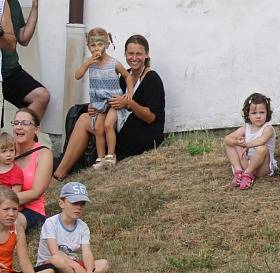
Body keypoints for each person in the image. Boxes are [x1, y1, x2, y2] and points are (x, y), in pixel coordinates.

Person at [54, 34, 165, 181]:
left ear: (146, 55)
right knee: (85, 117)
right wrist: (96, 108)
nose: (134, 58)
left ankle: (63, 171)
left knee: (88, 122)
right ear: (125, 54)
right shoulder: (125, 76)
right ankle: (60, 173)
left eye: (139, 54)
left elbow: (151, 118)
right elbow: (111, 102)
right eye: (130, 53)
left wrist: (129, 103)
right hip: (120, 127)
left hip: (141, 135)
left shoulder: (152, 79)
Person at [35, 181, 119, 273]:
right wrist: (76, 266)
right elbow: (55, 253)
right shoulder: (51, 223)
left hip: (70, 267)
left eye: (82, 203)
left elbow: (87, 253)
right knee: (57, 260)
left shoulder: (83, 227)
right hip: (49, 267)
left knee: (104, 264)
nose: (78, 207)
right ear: (61, 203)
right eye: (74, 203)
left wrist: (89, 270)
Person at [74, 27, 133, 170]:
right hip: (99, 102)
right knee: (98, 128)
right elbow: (77, 75)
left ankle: (111, 155)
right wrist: (87, 63)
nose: (96, 48)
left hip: (114, 101)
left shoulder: (113, 63)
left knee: (108, 125)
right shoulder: (90, 63)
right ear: (88, 46)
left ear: (106, 45)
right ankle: (100, 158)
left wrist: (129, 92)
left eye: (100, 44)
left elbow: (127, 75)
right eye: (93, 45)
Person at [0, 187, 54, 273]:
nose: (11, 213)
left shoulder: (17, 229)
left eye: (15, 209)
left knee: (50, 270)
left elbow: (24, 261)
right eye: (6, 209)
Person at [2, 0, 50, 120]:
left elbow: (23, 38)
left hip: (10, 70)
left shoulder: (14, 3)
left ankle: (20, 136)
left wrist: (34, 7)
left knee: (41, 96)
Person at [223, 92, 278, 190]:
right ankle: (239, 172)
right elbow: (227, 139)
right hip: (248, 163)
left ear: (267, 113)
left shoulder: (268, 128)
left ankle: (248, 174)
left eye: (262, 112)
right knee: (230, 142)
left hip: (263, 167)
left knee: (262, 148)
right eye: (254, 113)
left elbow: (262, 140)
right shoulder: (246, 128)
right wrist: (237, 143)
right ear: (247, 114)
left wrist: (247, 145)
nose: (258, 116)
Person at [13, 107, 52, 234]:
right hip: (4, 206)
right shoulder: (5, 149)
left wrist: (4, 200)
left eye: (25, 123)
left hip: (31, 210)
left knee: (9, 221)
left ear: (36, 129)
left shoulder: (44, 154)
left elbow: (36, 192)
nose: (19, 127)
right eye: (16, 123)